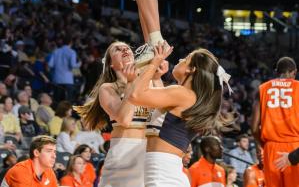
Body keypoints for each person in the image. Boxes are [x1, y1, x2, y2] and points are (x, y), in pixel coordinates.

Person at [128, 44, 231, 187]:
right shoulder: (185, 97)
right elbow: (156, 106)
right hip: (163, 171)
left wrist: (154, 62)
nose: (181, 58)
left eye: (186, 58)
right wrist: (157, 76)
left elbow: (135, 95)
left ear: (191, 69)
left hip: (162, 174)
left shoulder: (182, 94)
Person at [74, 41, 150, 187]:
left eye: (127, 48)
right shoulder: (108, 88)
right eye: (117, 49)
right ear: (111, 65)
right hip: (122, 155)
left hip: (145, 153)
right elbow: (125, 120)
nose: (124, 50)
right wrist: (130, 82)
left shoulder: (145, 84)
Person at [251, 56, 299, 186]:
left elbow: (254, 127)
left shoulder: (262, 89)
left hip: (270, 148)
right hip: (295, 147)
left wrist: (263, 144)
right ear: (294, 72)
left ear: (276, 72)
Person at [48, 35, 81, 102]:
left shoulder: (56, 51)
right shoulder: (72, 52)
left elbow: (50, 65)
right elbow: (73, 66)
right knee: (68, 103)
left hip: (57, 80)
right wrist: (79, 64)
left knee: (57, 102)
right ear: (71, 42)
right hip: (68, 80)